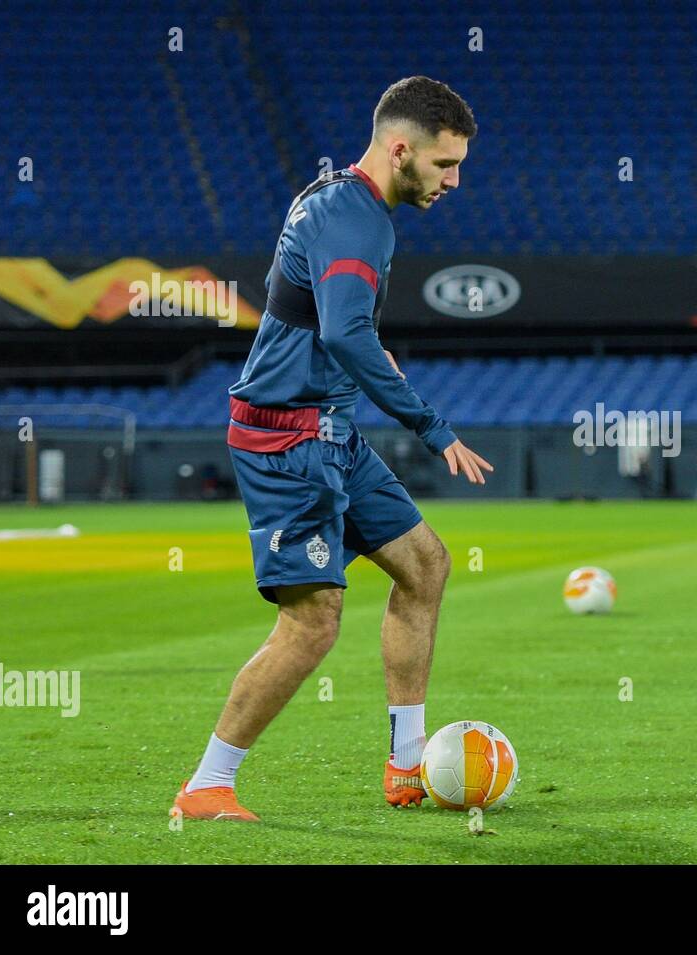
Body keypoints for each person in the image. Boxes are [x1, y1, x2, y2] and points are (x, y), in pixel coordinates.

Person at [171, 77, 492, 822]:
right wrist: (433, 428)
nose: (455, 181)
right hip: (288, 438)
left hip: (331, 430)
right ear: (401, 148)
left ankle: (407, 768)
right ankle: (208, 783)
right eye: (446, 165)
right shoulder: (357, 224)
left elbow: (322, 320)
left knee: (425, 564)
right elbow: (347, 334)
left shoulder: (338, 198)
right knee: (312, 622)